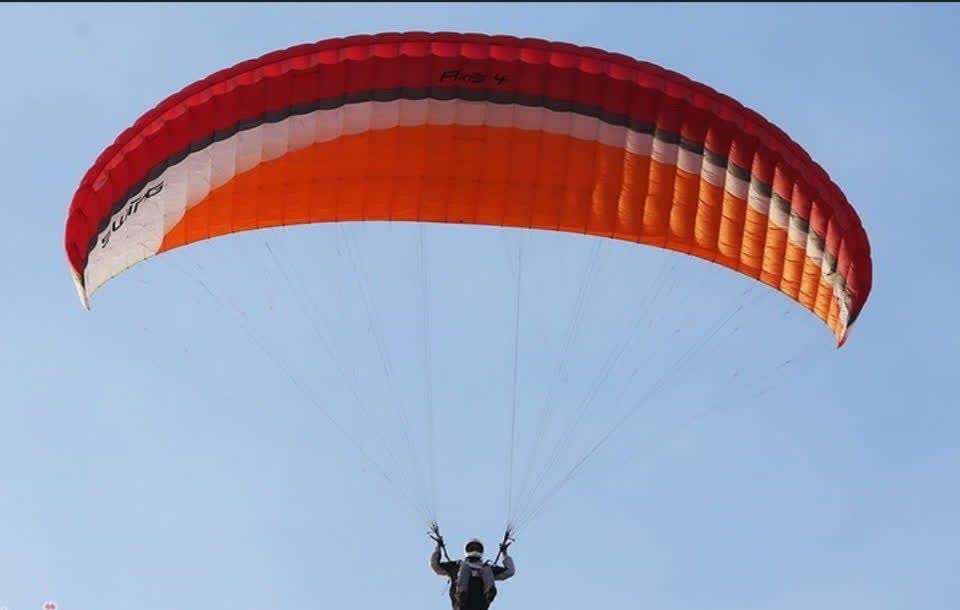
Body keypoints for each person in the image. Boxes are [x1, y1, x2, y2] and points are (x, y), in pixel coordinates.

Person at [430, 536, 515, 610]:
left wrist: (505, 553)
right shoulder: (456, 565)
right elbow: (436, 566)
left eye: (477, 548)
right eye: (472, 548)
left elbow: (509, 571)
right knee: (465, 567)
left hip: (480, 603)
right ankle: (461, 594)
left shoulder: (487, 567)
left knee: (486, 569)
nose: (474, 550)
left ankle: (489, 593)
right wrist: (438, 547)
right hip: (461, 604)